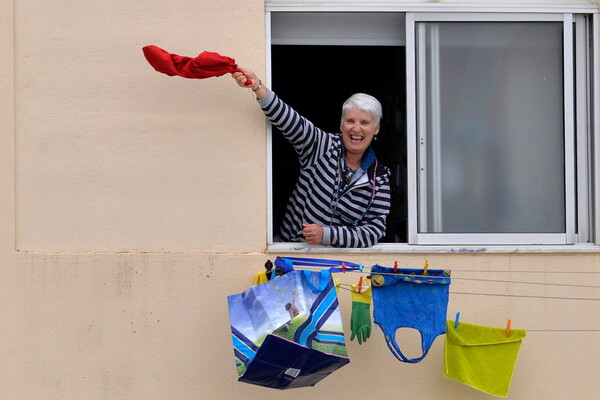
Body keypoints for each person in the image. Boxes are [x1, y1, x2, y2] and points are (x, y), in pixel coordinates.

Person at [232, 68, 391, 247]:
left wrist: (327, 234)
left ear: (376, 129)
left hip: (335, 267)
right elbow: (290, 121)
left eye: (365, 123)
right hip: (288, 253)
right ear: (341, 124)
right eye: (350, 121)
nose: (356, 129)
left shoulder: (379, 178)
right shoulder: (323, 146)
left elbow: (373, 231)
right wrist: (257, 86)